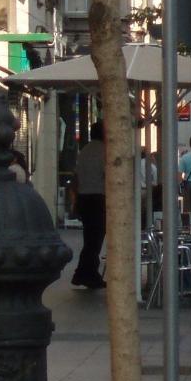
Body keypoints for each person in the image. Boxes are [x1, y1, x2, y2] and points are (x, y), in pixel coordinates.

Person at [71, 121, 106, 289]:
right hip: (99, 198)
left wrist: (76, 200)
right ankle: (87, 274)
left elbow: (76, 178)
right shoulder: (106, 151)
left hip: (85, 198)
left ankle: (84, 273)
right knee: (95, 239)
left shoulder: (84, 151)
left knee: (89, 238)